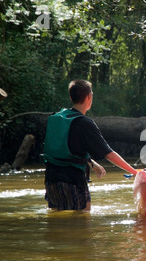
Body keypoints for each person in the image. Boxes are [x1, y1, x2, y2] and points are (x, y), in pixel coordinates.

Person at [42, 79, 137, 211]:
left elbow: (67, 150)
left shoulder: (59, 118)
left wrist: (92, 163)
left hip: (51, 179)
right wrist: (135, 172)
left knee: (57, 221)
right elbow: (108, 154)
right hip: (72, 180)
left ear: (71, 97)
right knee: (83, 219)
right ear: (89, 97)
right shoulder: (85, 123)